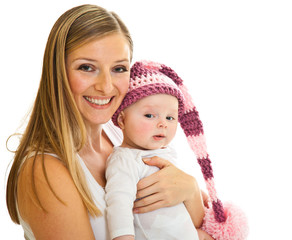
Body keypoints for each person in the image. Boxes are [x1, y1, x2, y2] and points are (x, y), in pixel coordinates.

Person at [6, 4, 214, 240]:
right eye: (87, 67)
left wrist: (190, 192)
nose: (105, 86)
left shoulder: (121, 134)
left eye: (118, 68)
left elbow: (182, 223)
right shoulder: (44, 172)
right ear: (58, 72)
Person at [105, 60, 201, 240]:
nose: (162, 123)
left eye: (170, 117)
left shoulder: (167, 152)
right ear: (122, 121)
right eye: (150, 115)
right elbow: (119, 205)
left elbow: (187, 197)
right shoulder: (125, 160)